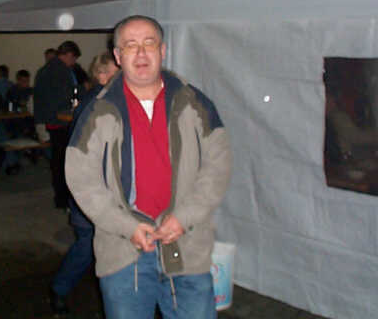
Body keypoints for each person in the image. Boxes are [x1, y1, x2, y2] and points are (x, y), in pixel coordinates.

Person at [66, 16, 232, 319]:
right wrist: (125, 226)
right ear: (118, 56)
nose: (141, 53)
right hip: (123, 252)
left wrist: (184, 217)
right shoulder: (98, 111)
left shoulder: (195, 103)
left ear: (163, 50)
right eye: (131, 45)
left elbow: (218, 166)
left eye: (149, 43)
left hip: (187, 246)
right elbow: (81, 179)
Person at [50, 52, 120, 314]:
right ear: (101, 75)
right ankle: (59, 289)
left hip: (104, 188)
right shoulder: (96, 104)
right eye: (115, 72)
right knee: (88, 244)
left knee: (102, 244)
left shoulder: (113, 100)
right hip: (91, 189)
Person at [34, 40, 81, 209]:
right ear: (68, 55)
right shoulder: (61, 71)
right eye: (73, 59)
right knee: (63, 162)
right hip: (60, 121)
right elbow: (66, 97)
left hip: (50, 121)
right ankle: (64, 198)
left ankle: (60, 197)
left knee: (57, 160)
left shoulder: (44, 70)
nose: (73, 63)